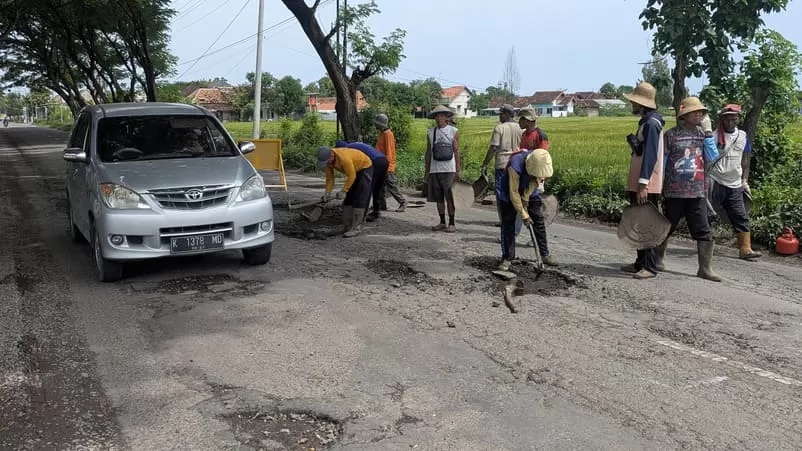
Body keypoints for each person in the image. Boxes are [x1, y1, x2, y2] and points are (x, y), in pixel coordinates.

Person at [660, 97, 722, 282]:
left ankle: (705, 268)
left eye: (701, 112)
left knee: (703, 229)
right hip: (674, 191)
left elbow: (712, 156)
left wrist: (709, 132)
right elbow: (663, 162)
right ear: (684, 115)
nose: (699, 115)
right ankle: (657, 260)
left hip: (697, 192)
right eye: (695, 112)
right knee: (666, 226)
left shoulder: (703, 135)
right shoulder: (671, 135)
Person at [620, 81, 665, 279]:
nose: (633, 105)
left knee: (646, 224)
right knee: (638, 222)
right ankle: (640, 262)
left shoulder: (652, 124)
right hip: (640, 181)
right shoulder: (647, 122)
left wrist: (643, 183)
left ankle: (650, 266)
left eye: (634, 102)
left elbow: (650, 156)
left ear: (641, 104)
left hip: (647, 183)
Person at [708, 103, 762, 260]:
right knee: (706, 214)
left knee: (740, 215)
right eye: (727, 119)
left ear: (738, 119)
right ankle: (704, 244)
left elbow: (745, 159)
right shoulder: (713, 136)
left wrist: (745, 179)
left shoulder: (743, 137)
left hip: (734, 183)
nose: (730, 121)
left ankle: (745, 249)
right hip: (715, 180)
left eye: (734, 118)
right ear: (722, 119)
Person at [496, 146, 554, 271]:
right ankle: (507, 258)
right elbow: (514, 193)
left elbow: (536, 180)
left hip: (530, 191)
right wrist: (524, 215)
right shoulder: (515, 164)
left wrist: (526, 196)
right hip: (509, 193)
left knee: (538, 220)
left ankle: (544, 254)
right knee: (508, 224)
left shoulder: (541, 160)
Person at [514, 107, 557, 265]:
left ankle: (544, 253)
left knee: (537, 217)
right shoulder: (524, 134)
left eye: (522, 119)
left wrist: (539, 181)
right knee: (518, 211)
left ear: (529, 120)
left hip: (535, 180)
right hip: (522, 178)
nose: (519, 122)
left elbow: (543, 159)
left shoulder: (540, 135)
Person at [317, 145, 373, 238]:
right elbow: (330, 179)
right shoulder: (328, 162)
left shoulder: (343, 158)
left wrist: (343, 191)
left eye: (327, 161)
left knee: (360, 198)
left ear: (332, 154)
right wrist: (327, 193)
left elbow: (352, 176)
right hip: (353, 171)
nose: (327, 163)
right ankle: (347, 226)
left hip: (364, 168)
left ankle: (356, 228)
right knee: (349, 199)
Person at [483, 104, 523, 228]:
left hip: (502, 164)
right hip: (517, 164)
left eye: (500, 114)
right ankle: (515, 219)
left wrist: (485, 163)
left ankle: (504, 220)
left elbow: (494, 147)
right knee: (515, 192)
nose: (499, 116)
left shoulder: (499, 128)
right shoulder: (521, 128)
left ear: (506, 114)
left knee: (501, 194)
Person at [425, 105, 461, 233]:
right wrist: (427, 171)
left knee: (450, 197)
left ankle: (452, 222)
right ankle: (442, 222)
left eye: (441, 115)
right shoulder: (431, 132)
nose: (439, 118)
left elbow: (456, 151)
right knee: (438, 197)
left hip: (449, 169)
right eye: (437, 116)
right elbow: (428, 153)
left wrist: (457, 170)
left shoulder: (453, 131)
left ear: (447, 117)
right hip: (435, 169)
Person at [335, 139, 389, 223]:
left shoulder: (348, 150)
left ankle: (362, 217)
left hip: (375, 161)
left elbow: (356, 171)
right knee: (378, 187)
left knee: (367, 188)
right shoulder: (355, 145)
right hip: (384, 160)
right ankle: (376, 211)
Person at [374, 113, 407, 212]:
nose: (375, 125)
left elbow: (389, 151)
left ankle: (403, 202)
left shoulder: (388, 134)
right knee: (380, 186)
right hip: (382, 164)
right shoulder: (383, 133)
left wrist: (386, 165)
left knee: (391, 185)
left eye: (376, 123)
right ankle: (381, 204)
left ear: (381, 124)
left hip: (387, 164)